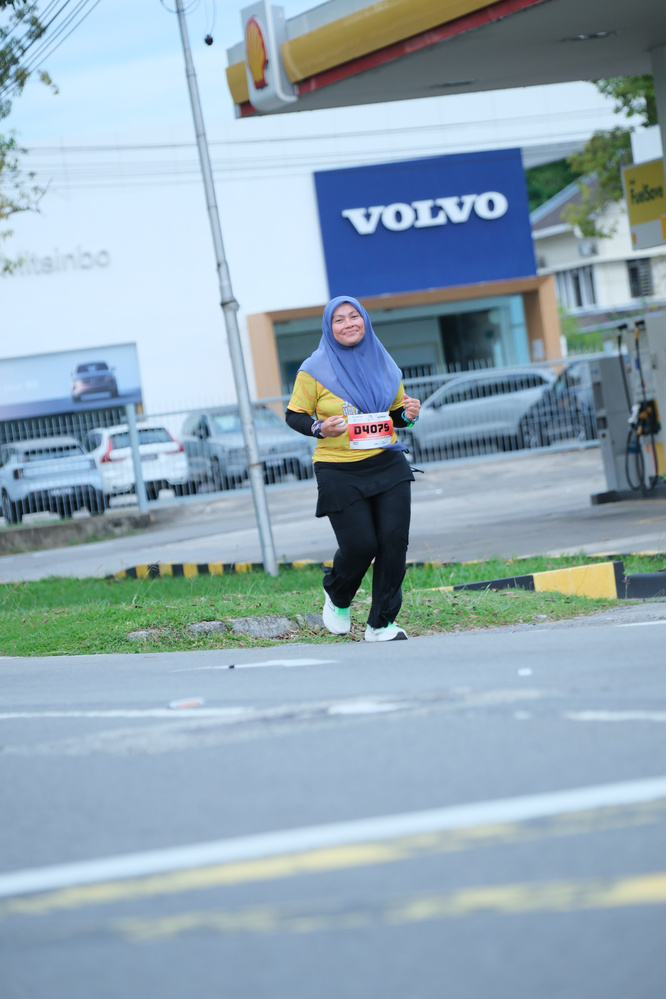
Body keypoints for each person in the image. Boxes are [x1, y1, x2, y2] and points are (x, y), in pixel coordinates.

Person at [286, 296, 421, 642]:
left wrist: (408, 415)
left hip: (387, 462)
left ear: (365, 320)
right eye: (339, 319)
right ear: (329, 327)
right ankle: (338, 594)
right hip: (338, 469)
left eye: (354, 316)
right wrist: (319, 428)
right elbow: (294, 415)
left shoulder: (383, 362)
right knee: (361, 545)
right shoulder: (313, 369)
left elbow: (393, 414)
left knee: (394, 543)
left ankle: (381, 624)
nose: (349, 324)